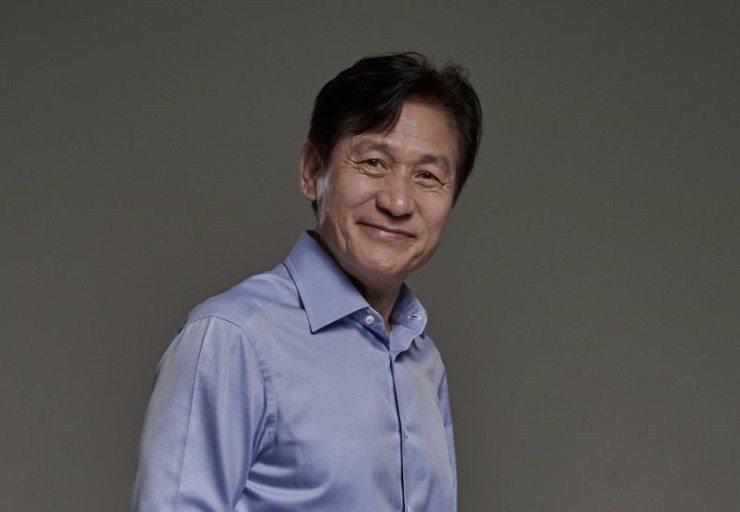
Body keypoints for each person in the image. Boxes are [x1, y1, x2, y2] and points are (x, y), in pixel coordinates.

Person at [130, 51, 482, 512]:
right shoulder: (233, 338)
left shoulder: (423, 362)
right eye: (374, 162)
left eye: (428, 176)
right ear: (312, 171)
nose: (398, 202)